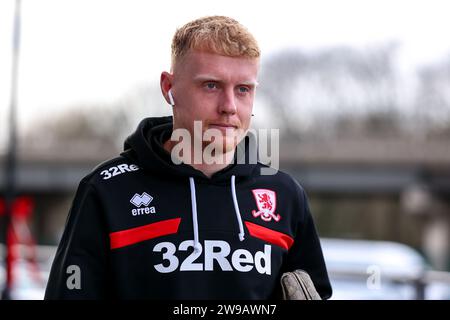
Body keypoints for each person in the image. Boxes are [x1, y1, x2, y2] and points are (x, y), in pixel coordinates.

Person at [44, 15, 332, 299]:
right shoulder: (106, 191)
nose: (229, 106)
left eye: (243, 89)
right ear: (169, 88)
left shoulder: (285, 195)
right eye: (211, 85)